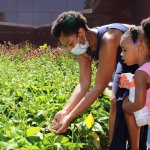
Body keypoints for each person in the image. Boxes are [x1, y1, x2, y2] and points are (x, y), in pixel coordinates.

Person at [47, 11, 143, 149]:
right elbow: (83, 83)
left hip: (142, 57)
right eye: (66, 45)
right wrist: (65, 111)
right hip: (125, 61)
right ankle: (115, 145)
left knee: (130, 102)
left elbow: (98, 87)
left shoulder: (108, 39)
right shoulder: (82, 47)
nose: (70, 48)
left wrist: (70, 118)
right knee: (116, 102)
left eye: (70, 43)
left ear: (80, 32)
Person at [120, 17, 150, 150]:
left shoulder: (141, 73)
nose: (121, 54)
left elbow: (139, 103)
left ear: (139, 47)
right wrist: (131, 84)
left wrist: (126, 105)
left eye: (124, 50)